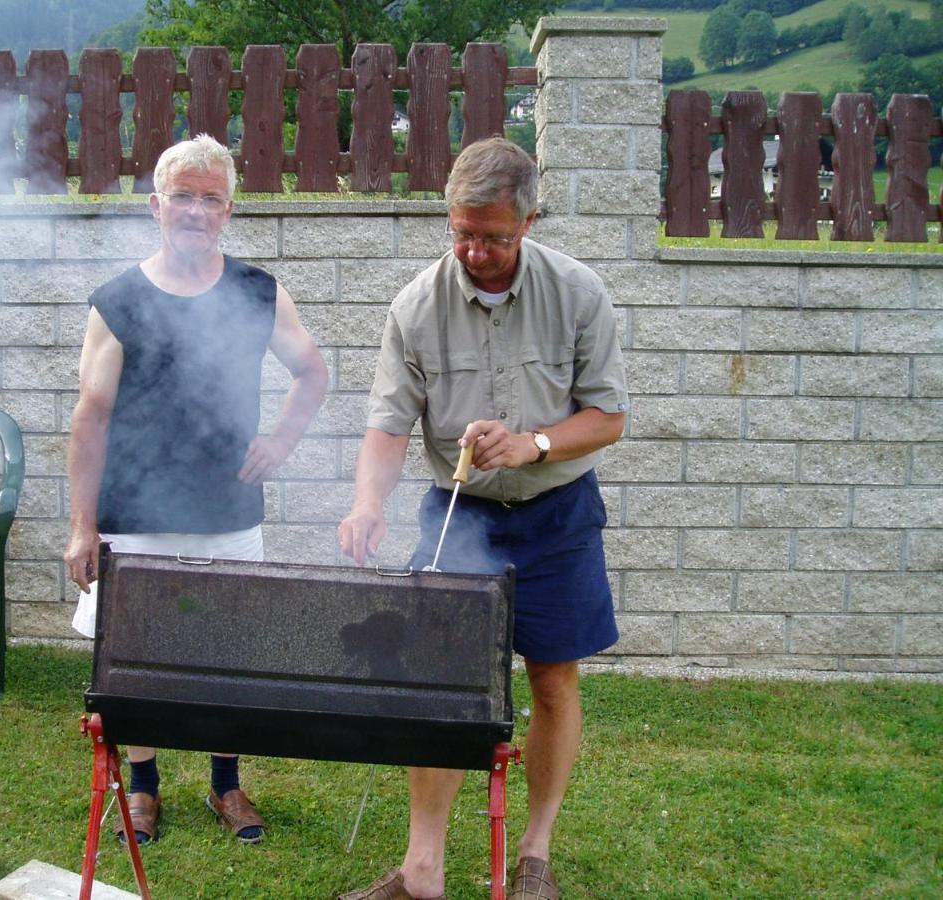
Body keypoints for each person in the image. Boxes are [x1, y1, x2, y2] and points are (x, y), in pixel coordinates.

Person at [337, 137, 628, 900]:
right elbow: (388, 424)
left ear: (528, 221)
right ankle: (422, 868)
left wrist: (531, 444)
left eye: (494, 236)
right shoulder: (414, 306)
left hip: (557, 514)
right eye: (461, 232)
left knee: (554, 682)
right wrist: (368, 501)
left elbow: (607, 418)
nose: (475, 251)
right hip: (457, 515)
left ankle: (534, 853)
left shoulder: (580, 293)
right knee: (438, 684)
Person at [64, 134, 328, 847]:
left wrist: (279, 442)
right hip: (134, 514)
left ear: (228, 211)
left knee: (226, 650)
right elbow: (89, 418)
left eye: (211, 197)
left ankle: (225, 785)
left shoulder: (257, 291)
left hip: (226, 512)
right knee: (137, 659)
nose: (195, 210)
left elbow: (313, 373)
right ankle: (144, 791)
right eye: (182, 194)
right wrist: (82, 526)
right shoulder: (119, 301)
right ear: (155, 205)